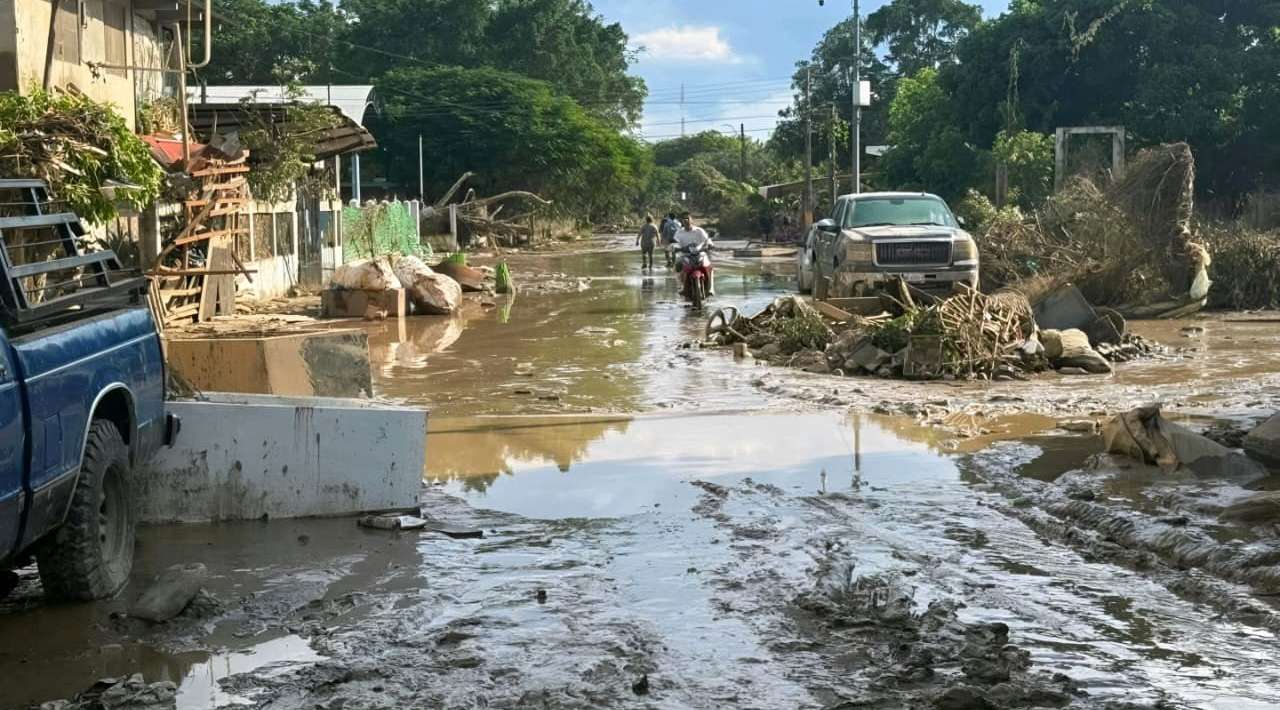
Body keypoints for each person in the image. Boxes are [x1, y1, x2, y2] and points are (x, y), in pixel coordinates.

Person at [673, 212, 714, 295]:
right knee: (677, 265)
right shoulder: (679, 233)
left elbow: (707, 239)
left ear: (691, 220)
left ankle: (711, 288)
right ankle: (681, 286)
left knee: (709, 267)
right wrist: (676, 248)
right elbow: (675, 243)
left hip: (700, 254)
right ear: (681, 221)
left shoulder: (699, 231)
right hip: (685, 255)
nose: (686, 220)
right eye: (684, 219)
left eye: (687, 218)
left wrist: (710, 244)